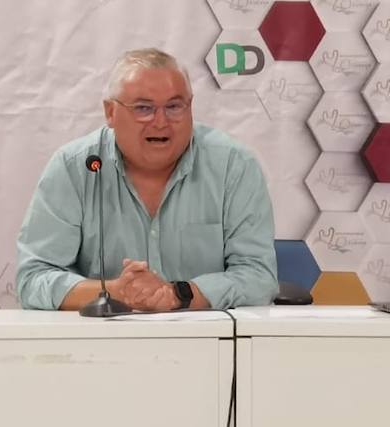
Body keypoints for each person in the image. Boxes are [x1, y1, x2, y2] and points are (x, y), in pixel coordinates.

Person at [17, 48, 278, 311]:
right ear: (110, 112)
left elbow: (258, 277)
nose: (161, 122)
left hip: (207, 341)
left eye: (174, 106)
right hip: (102, 341)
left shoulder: (233, 166)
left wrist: (178, 295)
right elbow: (33, 279)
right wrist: (114, 292)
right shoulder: (75, 168)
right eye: (144, 108)